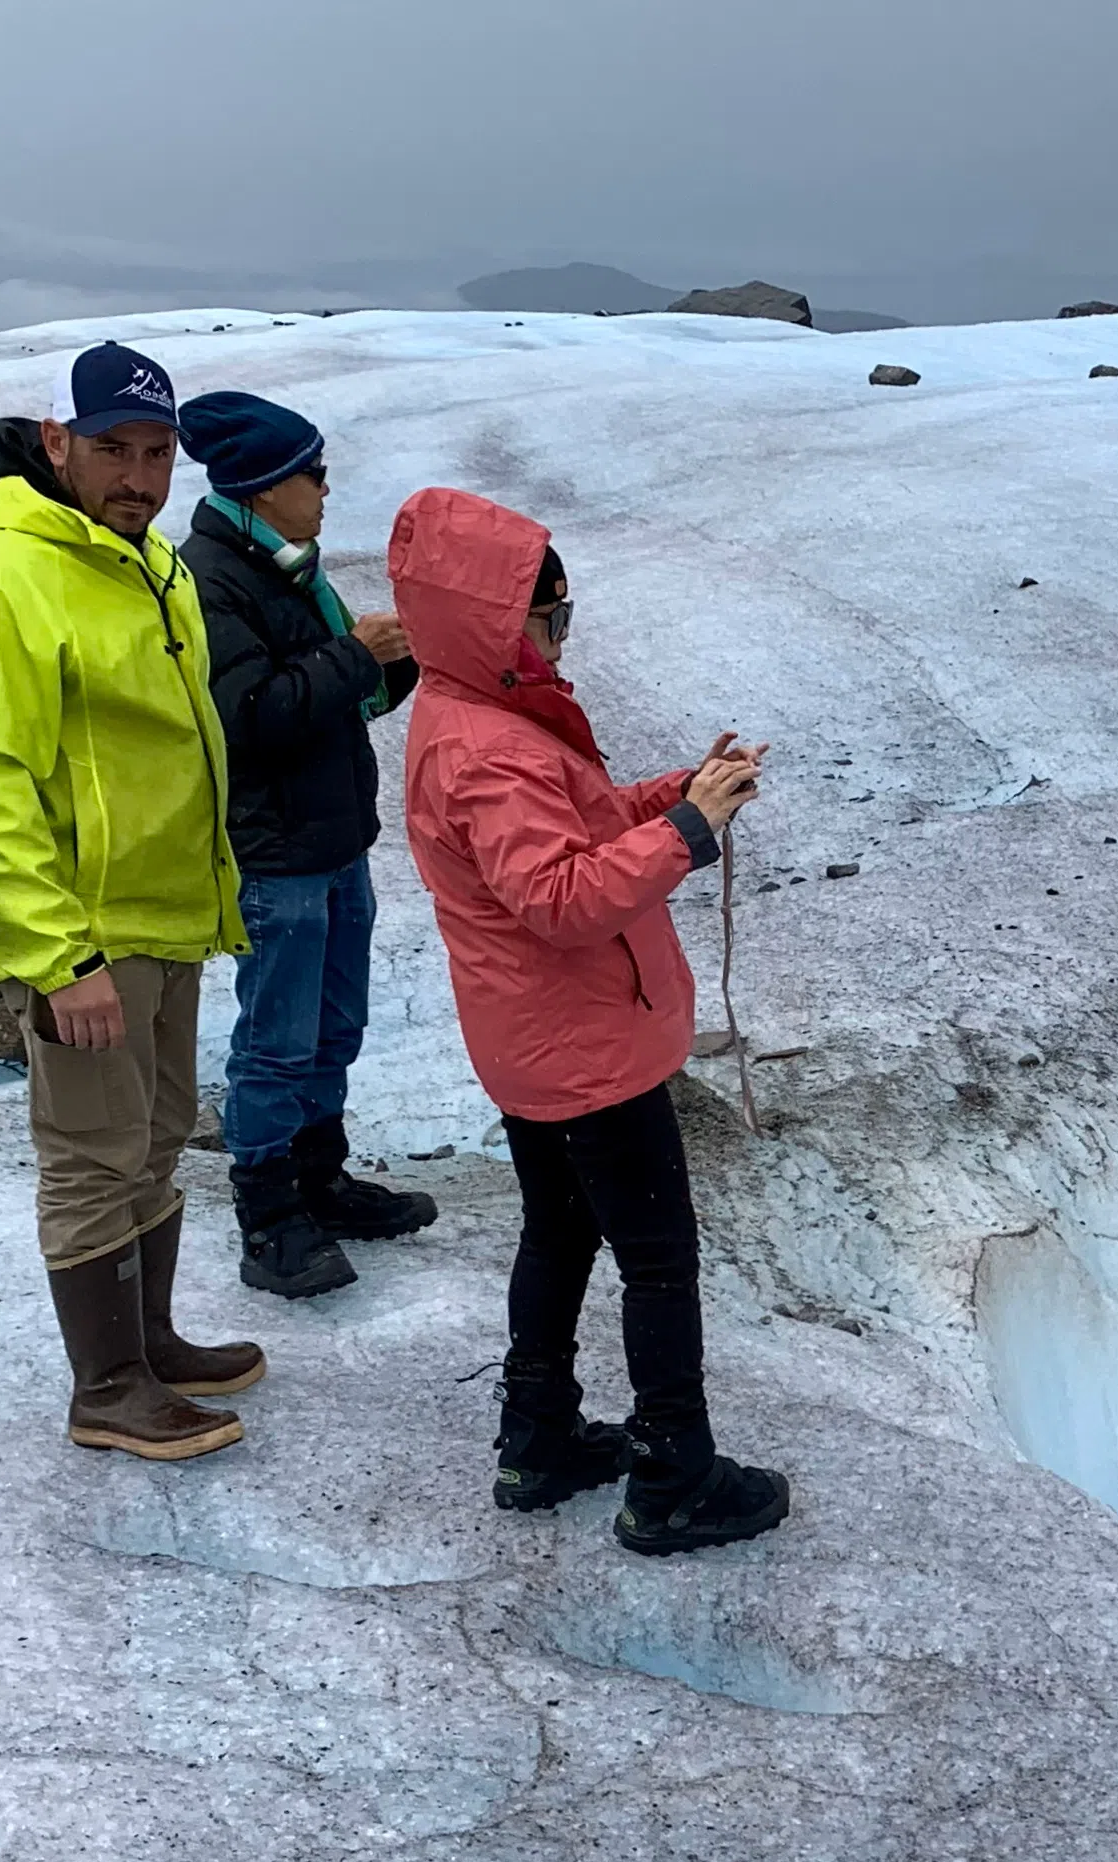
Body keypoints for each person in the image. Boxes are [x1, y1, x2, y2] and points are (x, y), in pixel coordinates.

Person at [385, 485, 791, 1554]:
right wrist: (689, 834)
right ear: (491, 620)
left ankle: (539, 1435)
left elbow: (572, 829)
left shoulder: (469, 712)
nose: (558, 639)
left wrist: (672, 796)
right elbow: (559, 899)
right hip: (584, 1045)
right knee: (656, 1258)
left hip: (535, 1039)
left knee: (560, 1229)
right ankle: (673, 1473)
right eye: (544, 617)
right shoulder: (485, 745)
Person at [0, 340, 257, 1460]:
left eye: (158, 452)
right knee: (89, 1156)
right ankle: (106, 1384)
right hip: (87, 933)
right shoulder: (6, 574)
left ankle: (148, 1341)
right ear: (54, 440)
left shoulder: (139, 561)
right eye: (113, 447)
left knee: (154, 1138)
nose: (141, 475)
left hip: (168, 916)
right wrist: (58, 957)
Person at [171, 389, 436, 1299]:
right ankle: (269, 1215)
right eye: (312, 471)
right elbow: (244, 715)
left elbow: (333, 701)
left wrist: (387, 663)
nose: (326, 486)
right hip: (274, 852)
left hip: (330, 840)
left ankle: (319, 1178)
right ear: (264, 482)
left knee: (334, 1024)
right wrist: (355, 654)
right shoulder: (208, 576)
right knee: (277, 1039)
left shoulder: (284, 568)